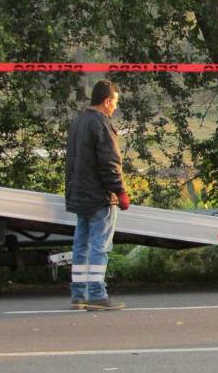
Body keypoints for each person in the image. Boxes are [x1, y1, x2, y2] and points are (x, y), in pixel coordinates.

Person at [65, 80, 129, 311]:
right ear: (106, 101)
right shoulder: (101, 124)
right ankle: (96, 295)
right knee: (100, 246)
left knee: (80, 245)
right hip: (99, 196)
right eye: (114, 103)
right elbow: (109, 162)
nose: (115, 108)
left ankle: (78, 294)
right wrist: (120, 191)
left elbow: (71, 161)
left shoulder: (79, 122)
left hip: (79, 195)